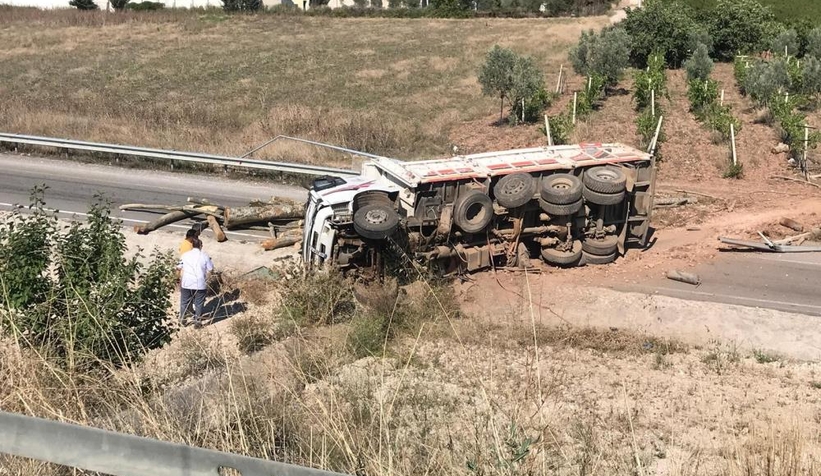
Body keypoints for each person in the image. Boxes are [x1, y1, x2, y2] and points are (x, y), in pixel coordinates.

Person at [177, 238, 214, 328]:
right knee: (199, 303)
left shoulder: (185, 255)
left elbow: (178, 268)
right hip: (200, 283)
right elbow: (211, 269)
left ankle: (182, 319)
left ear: (192, 245)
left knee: (184, 302)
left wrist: (177, 279)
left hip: (186, 282)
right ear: (201, 246)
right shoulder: (204, 256)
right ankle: (197, 321)